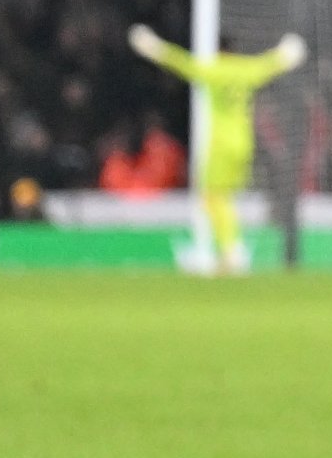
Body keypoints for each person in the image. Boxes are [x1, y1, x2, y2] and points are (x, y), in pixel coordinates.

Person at [127, 22, 308, 274]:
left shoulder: (214, 69)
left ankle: (232, 251)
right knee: (223, 198)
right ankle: (229, 251)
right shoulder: (246, 69)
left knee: (212, 197)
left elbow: (182, 63)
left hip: (221, 144)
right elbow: (272, 64)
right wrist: (288, 52)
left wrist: (153, 47)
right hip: (244, 143)